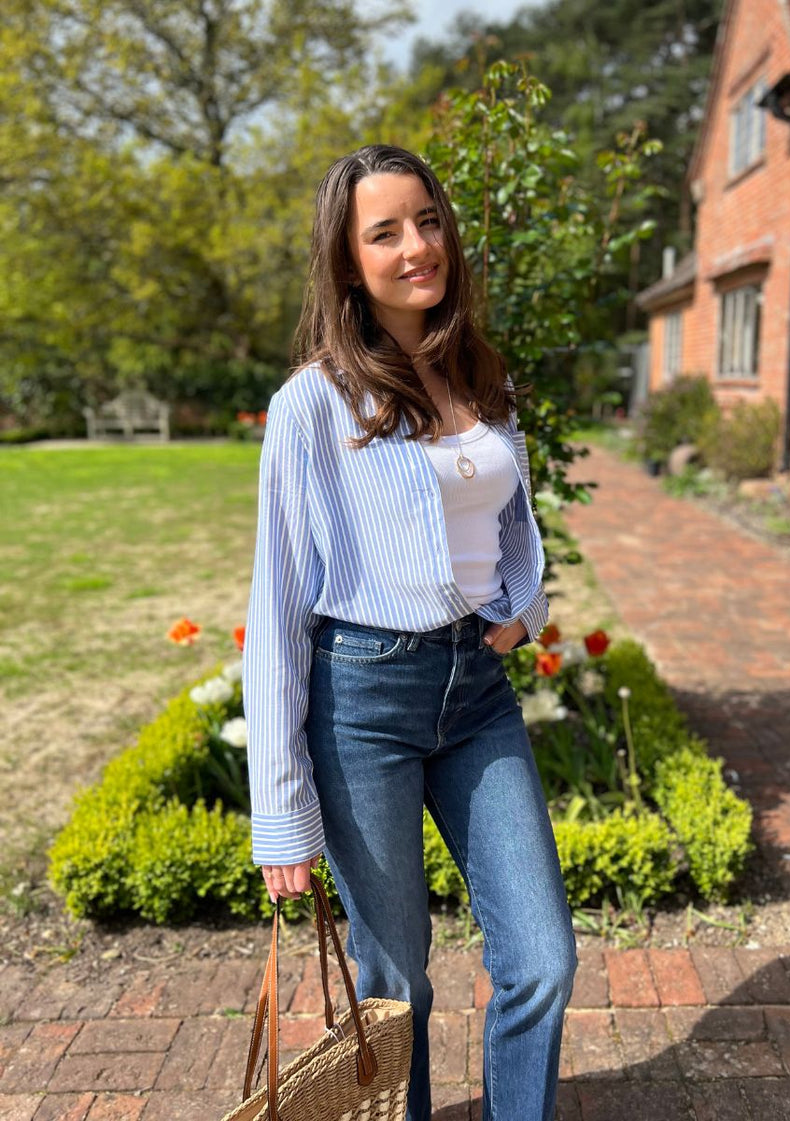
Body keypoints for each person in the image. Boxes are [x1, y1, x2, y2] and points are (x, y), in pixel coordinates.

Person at [242, 144, 577, 1121]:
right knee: (397, 983)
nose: (417, 245)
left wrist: (525, 611)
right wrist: (280, 808)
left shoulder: (483, 373)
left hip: (477, 691)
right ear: (348, 261)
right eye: (385, 231)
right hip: (362, 700)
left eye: (427, 219)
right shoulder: (312, 403)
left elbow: (513, 520)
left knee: (542, 957)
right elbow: (275, 604)